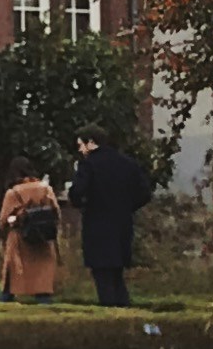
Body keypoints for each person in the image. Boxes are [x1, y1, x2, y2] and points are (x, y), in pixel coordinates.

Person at [66, 129, 155, 307]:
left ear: (90, 142)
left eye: (80, 145)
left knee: (102, 276)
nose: (80, 150)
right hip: (122, 225)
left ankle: (110, 318)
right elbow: (145, 193)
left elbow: (77, 193)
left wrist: (84, 203)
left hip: (97, 226)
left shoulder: (88, 165)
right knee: (116, 274)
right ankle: (123, 315)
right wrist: (127, 207)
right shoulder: (128, 163)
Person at [0, 162, 62, 302]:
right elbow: (56, 213)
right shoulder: (46, 189)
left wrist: (12, 221)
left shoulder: (13, 193)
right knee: (42, 279)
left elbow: (2, 221)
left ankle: (5, 303)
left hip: (20, 238)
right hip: (43, 237)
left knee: (13, 275)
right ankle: (45, 304)